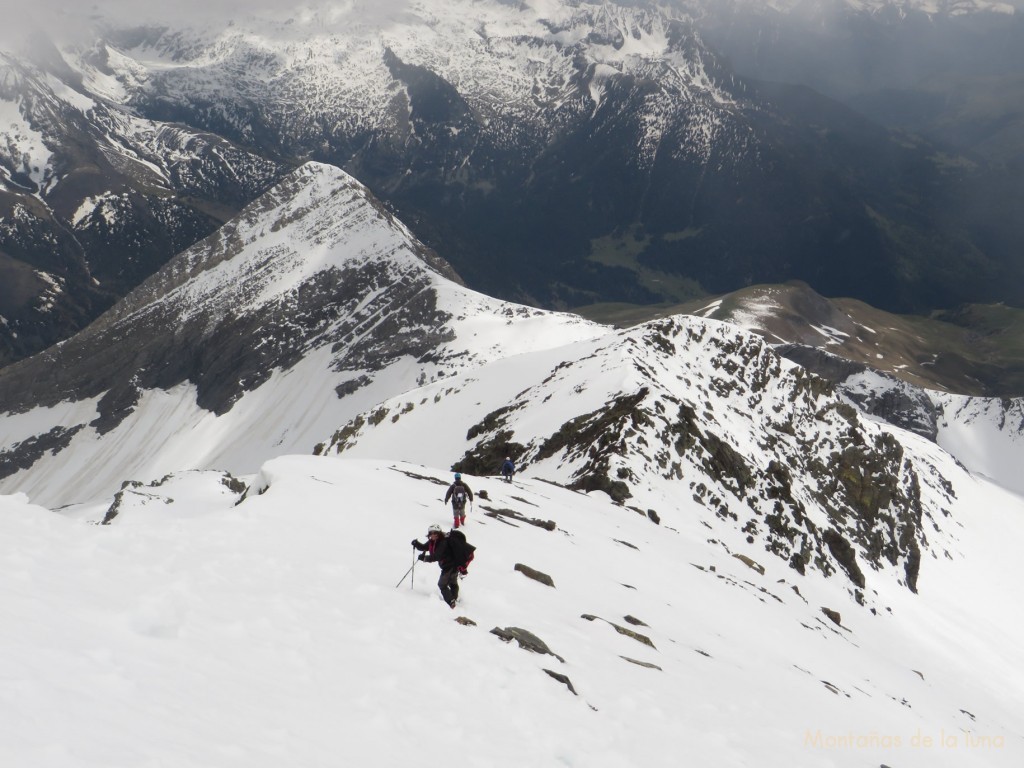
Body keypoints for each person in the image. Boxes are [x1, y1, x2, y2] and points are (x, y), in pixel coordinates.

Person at [411, 524, 475, 608]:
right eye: (431, 533)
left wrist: (424, 558)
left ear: (439, 533)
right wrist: (417, 544)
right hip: (451, 565)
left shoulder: (443, 542)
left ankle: (451, 602)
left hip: (450, 566)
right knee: (452, 582)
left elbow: (436, 556)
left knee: (442, 584)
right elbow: (424, 547)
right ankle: (454, 599)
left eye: (435, 533)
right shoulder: (433, 541)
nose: (433, 535)